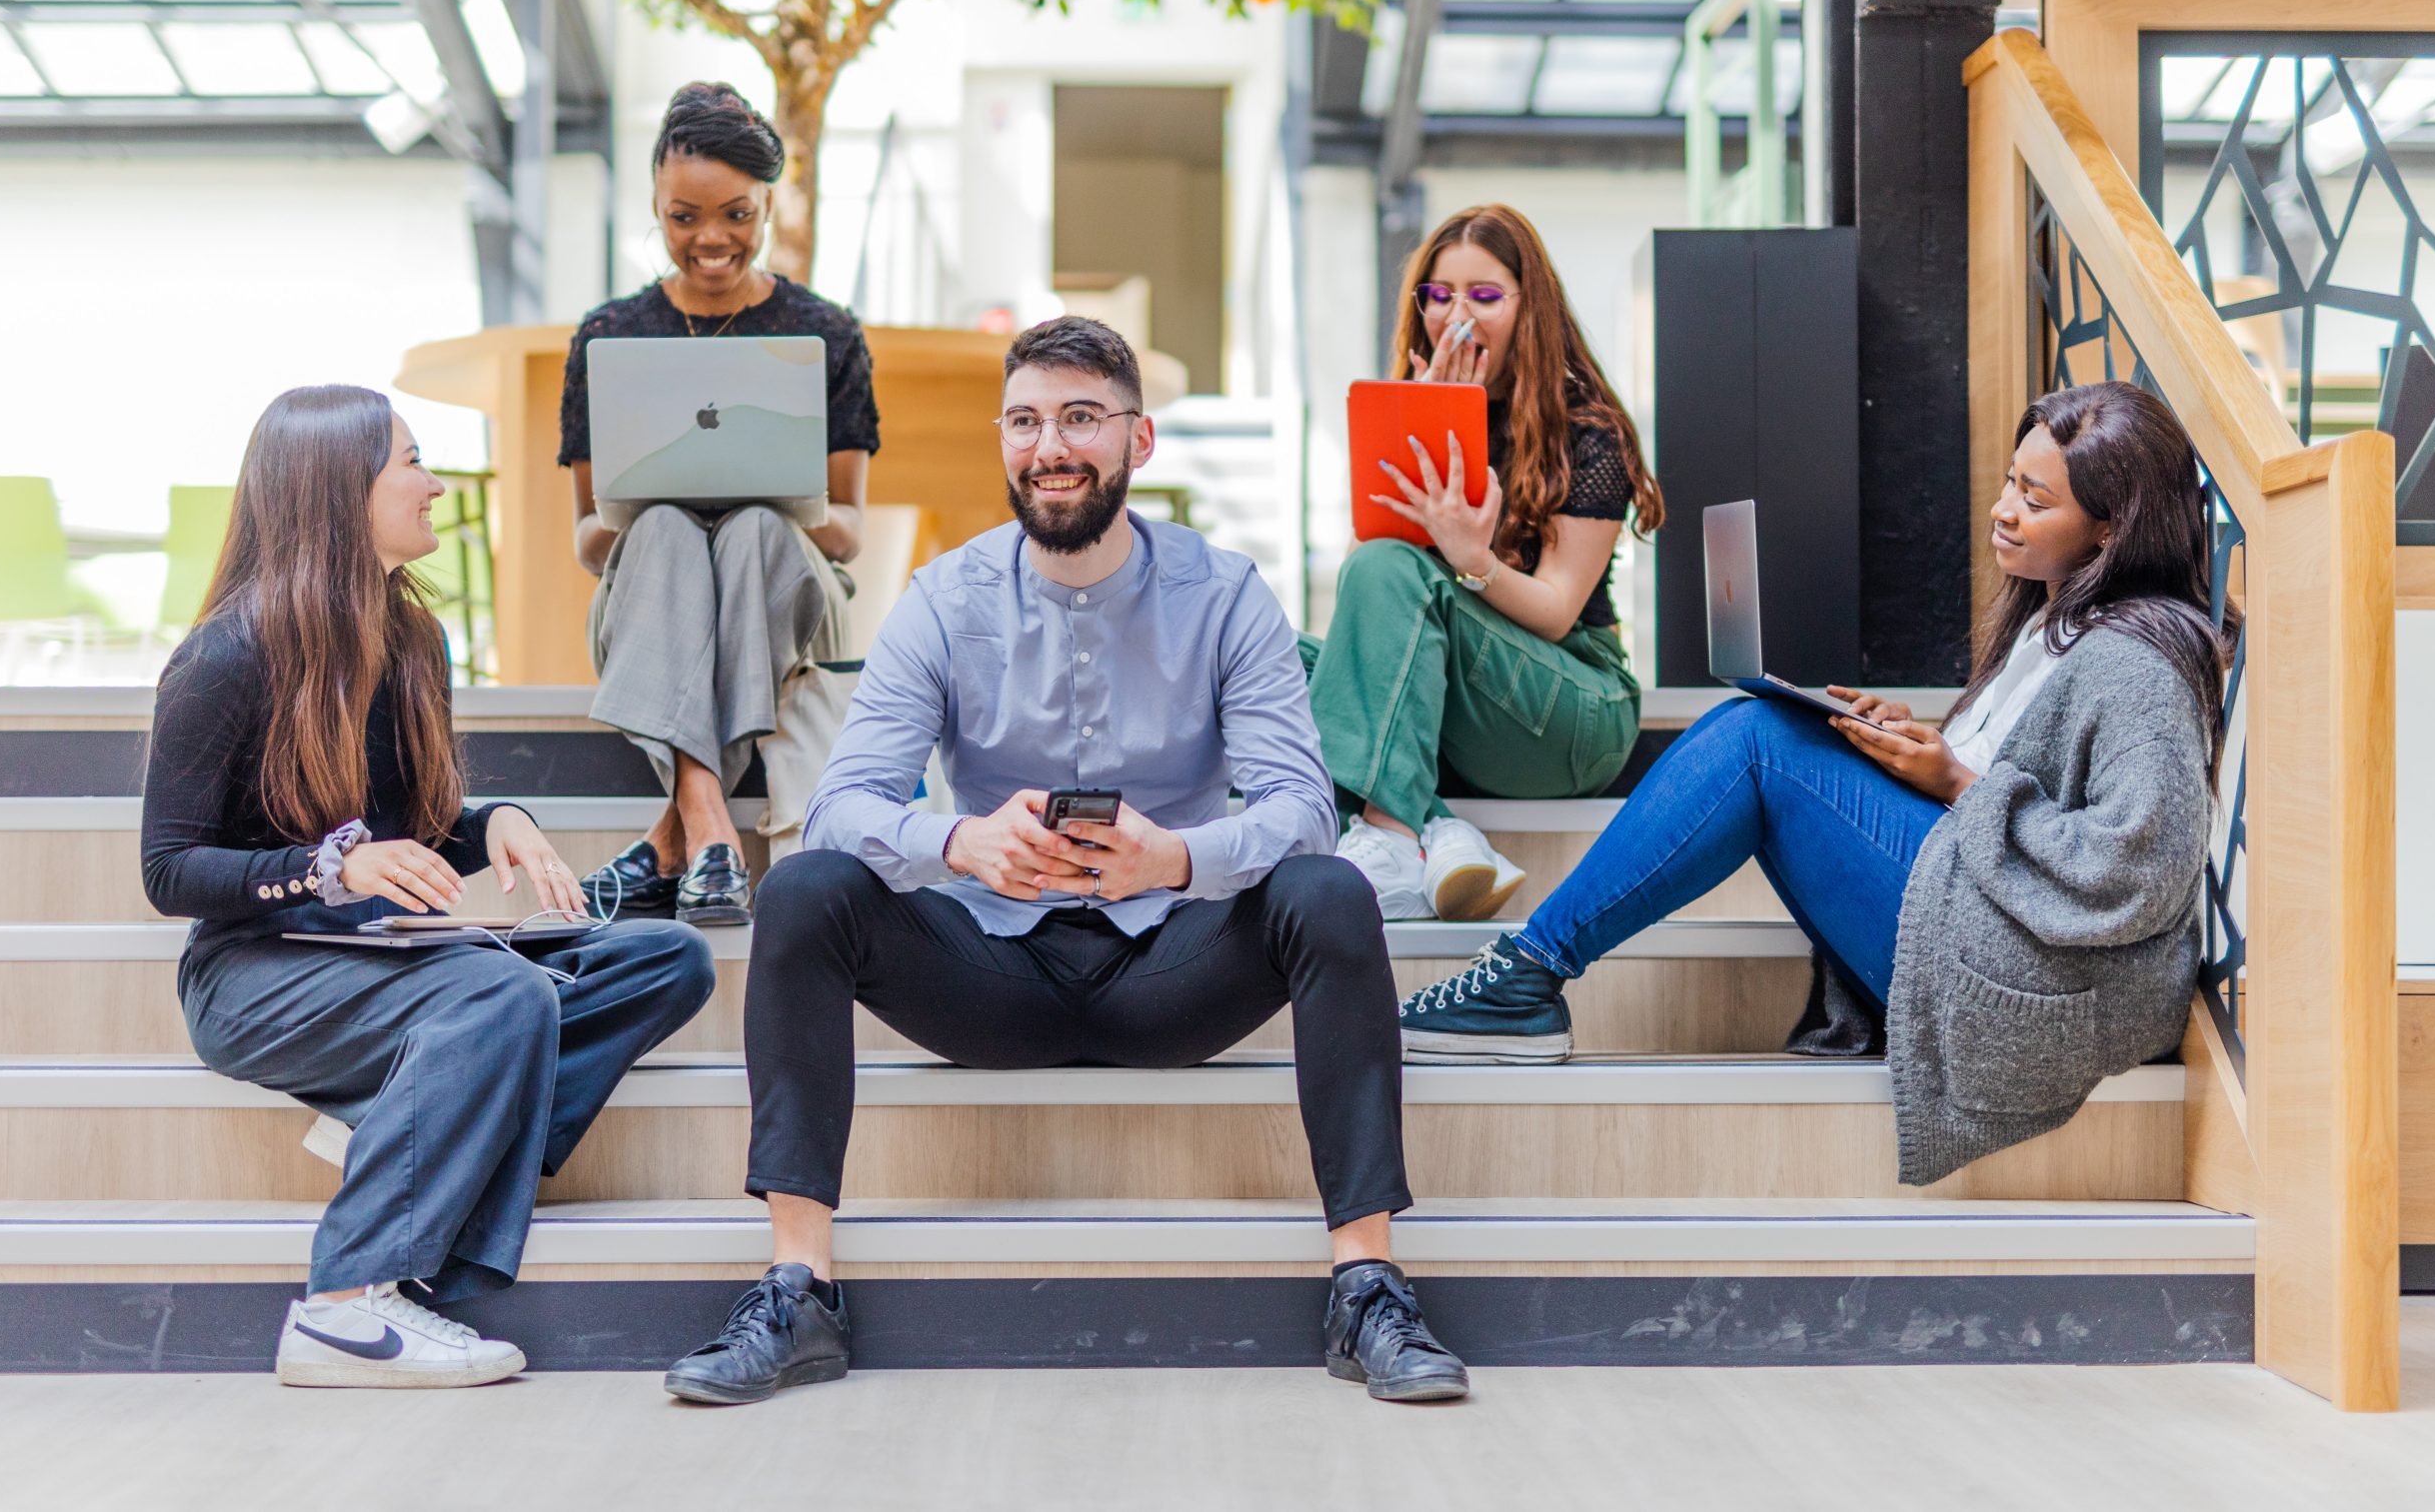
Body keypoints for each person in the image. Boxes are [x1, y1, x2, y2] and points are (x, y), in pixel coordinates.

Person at [662, 317, 1468, 1406]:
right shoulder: (943, 600)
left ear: (1139, 442)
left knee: (1327, 892)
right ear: (1003, 440)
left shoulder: (1227, 594)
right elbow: (842, 806)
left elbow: (1300, 812)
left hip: (1171, 974)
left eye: (1082, 417)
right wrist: (960, 841)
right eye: (1029, 419)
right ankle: (798, 1288)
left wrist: (1175, 860)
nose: (1053, 444)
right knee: (807, 888)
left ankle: (1367, 1285)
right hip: (988, 974)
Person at [1394, 382, 2228, 1181]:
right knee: (1759, 721)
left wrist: (1958, 781)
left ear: (2111, 530)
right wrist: (1919, 746)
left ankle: (1527, 973)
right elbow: (2014, 778)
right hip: (1981, 917)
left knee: (1759, 741)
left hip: (2032, 982)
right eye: (2011, 480)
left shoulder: (2135, 664)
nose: (2004, 508)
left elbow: (2139, 871)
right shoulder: (2054, 618)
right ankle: (1527, 971)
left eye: (2037, 501)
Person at [146, 386, 716, 1388]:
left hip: (387, 961)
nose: (436, 483)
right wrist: (326, 866)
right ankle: (346, 1306)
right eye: (410, 461)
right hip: (254, 972)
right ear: (336, 490)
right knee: (504, 994)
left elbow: (413, 834)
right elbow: (170, 871)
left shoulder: (412, 645)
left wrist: (495, 820)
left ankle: (421, 1116)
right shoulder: (224, 658)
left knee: (666, 959)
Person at [559, 80, 882, 927]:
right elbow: (591, 537)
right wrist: (645, 507)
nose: (711, 239)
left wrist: (779, 501)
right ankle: (709, 824)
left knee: (752, 532)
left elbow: (847, 532)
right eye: (683, 217)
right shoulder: (608, 337)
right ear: (655, 207)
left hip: (789, 600)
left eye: (738, 215)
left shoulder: (828, 332)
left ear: (770, 203)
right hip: (648, 597)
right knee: (663, 528)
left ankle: (676, 838)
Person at [1306, 204, 1661, 922]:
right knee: (1272, 656)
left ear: (1531, 307)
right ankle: (1443, 829)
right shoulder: (1413, 407)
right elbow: (1365, 585)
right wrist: (1423, 423)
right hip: (1467, 714)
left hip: (1574, 708)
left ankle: (1390, 831)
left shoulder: (1589, 431)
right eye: (1439, 296)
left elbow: (1559, 610)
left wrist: (1474, 559)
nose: (1455, 315)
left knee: (1384, 581)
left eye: (1484, 295)